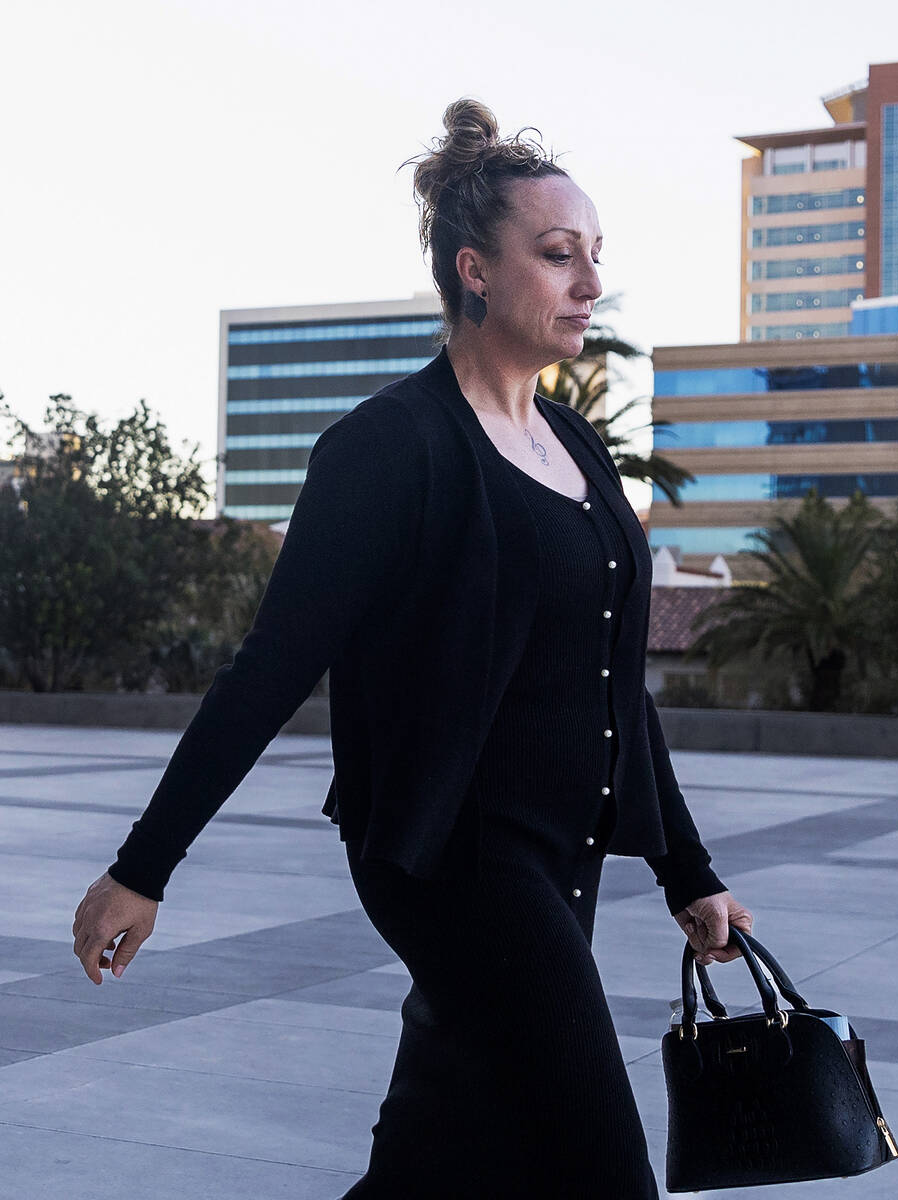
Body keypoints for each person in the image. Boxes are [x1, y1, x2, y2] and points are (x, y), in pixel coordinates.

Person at [72, 98, 753, 1199]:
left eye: (594, 258)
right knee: (599, 1169)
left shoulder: (574, 444)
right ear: (476, 271)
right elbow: (272, 667)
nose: (588, 283)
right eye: (556, 255)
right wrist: (143, 867)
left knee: (437, 1156)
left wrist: (688, 870)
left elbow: (612, 682)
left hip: (558, 850)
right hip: (453, 858)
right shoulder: (387, 448)